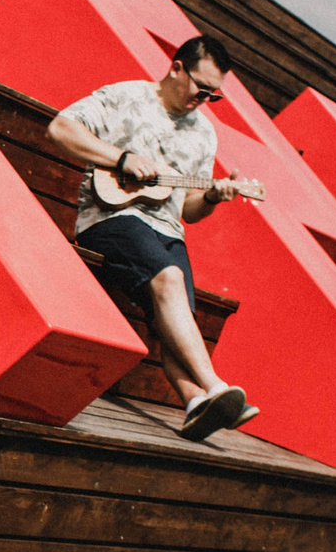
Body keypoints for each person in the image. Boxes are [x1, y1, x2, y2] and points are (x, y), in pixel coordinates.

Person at [47, 35, 259, 442]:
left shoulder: (204, 133)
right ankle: (214, 385)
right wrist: (121, 158)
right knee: (170, 281)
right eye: (202, 87)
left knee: (176, 318)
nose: (205, 99)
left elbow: (188, 210)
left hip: (167, 230)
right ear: (176, 67)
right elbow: (60, 128)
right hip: (111, 216)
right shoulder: (126, 96)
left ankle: (195, 402)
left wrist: (213, 197)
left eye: (215, 95)